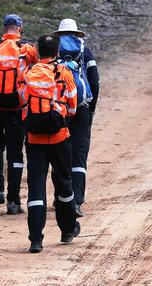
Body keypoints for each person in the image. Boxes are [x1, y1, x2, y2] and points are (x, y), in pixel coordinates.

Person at [20, 34, 79, 253]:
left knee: (36, 186)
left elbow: (22, 99)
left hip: (34, 138)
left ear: (38, 51)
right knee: (64, 182)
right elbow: (73, 104)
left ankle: (36, 239)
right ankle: (67, 230)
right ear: (57, 52)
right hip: (59, 137)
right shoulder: (63, 72)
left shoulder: (28, 73)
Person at [0, 14, 38, 213]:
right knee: (15, 153)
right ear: (20, 28)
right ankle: (14, 201)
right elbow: (36, 71)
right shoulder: (27, 49)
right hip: (16, 108)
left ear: (4, 27)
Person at [52, 18, 100, 217]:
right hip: (81, 108)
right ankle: (77, 201)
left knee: (59, 153)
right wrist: (91, 109)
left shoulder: (52, 51)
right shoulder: (85, 51)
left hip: (59, 109)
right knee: (79, 156)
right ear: (76, 33)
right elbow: (94, 82)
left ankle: (60, 197)